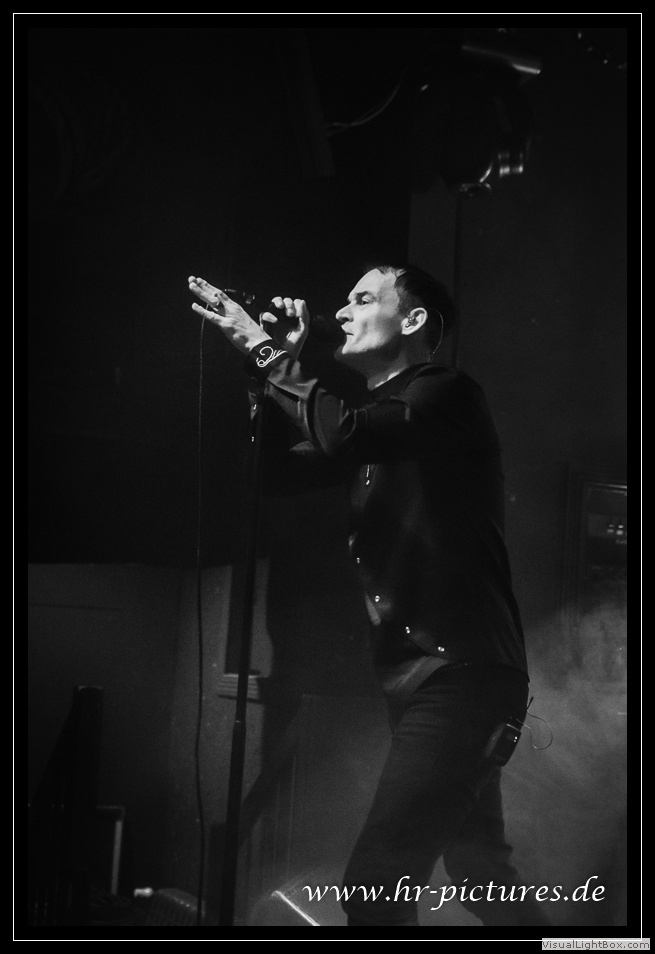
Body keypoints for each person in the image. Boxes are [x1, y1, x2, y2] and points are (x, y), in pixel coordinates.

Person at [187, 265, 551, 928]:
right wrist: (269, 372)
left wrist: (262, 350)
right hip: (434, 677)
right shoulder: (377, 423)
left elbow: (344, 432)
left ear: (412, 321)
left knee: (377, 882)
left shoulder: (446, 393)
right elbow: (275, 476)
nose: (343, 312)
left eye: (362, 299)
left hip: (460, 675)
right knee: (480, 871)